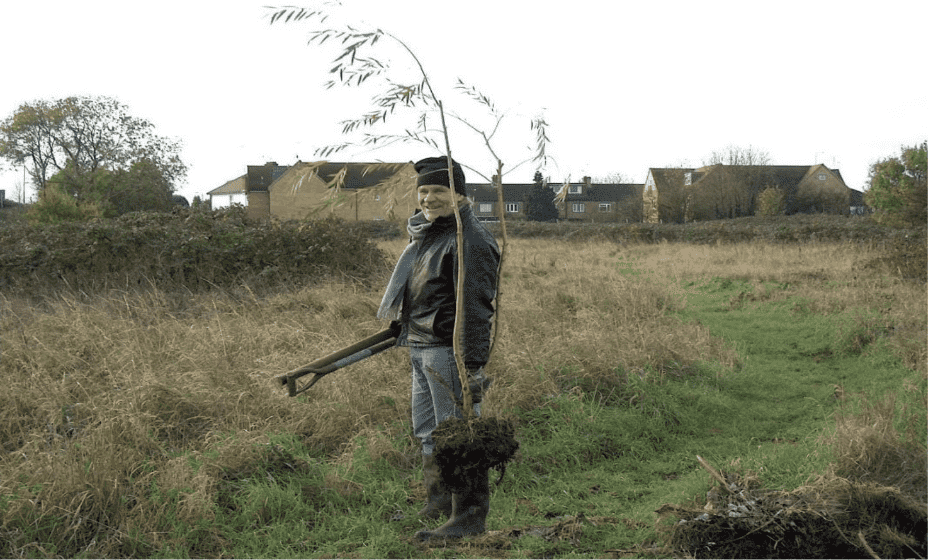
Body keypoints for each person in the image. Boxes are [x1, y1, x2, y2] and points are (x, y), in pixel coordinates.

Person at [377, 156, 500, 539]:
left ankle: (467, 519)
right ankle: (440, 504)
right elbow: (429, 292)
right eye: (424, 191)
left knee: (457, 434)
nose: (428, 198)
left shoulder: (470, 239)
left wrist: (473, 365)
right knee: (429, 431)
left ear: (458, 193)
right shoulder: (431, 234)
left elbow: (477, 307)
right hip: (420, 344)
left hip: (448, 352)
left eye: (438, 190)